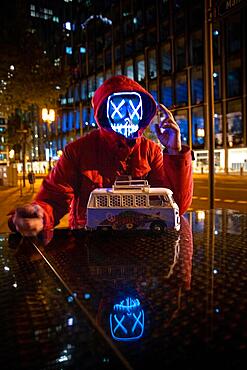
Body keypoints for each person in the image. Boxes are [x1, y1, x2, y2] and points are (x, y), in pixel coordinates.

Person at [8, 75, 193, 237]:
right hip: (89, 244)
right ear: (104, 113)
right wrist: (39, 214)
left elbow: (177, 206)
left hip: (139, 245)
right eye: (120, 109)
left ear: (142, 112)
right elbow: (54, 198)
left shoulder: (150, 151)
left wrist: (175, 152)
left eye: (134, 108)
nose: (128, 115)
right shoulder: (78, 151)